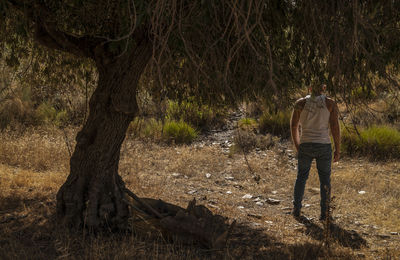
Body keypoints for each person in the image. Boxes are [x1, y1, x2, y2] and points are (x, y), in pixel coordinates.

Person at [290, 84, 341, 221]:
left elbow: (294, 126)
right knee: (325, 179)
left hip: (306, 143)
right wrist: (337, 148)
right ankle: (324, 214)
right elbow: (334, 126)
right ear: (324, 88)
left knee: (301, 177)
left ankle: (296, 209)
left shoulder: (300, 103)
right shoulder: (330, 103)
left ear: (310, 88)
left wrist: (297, 144)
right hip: (323, 145)